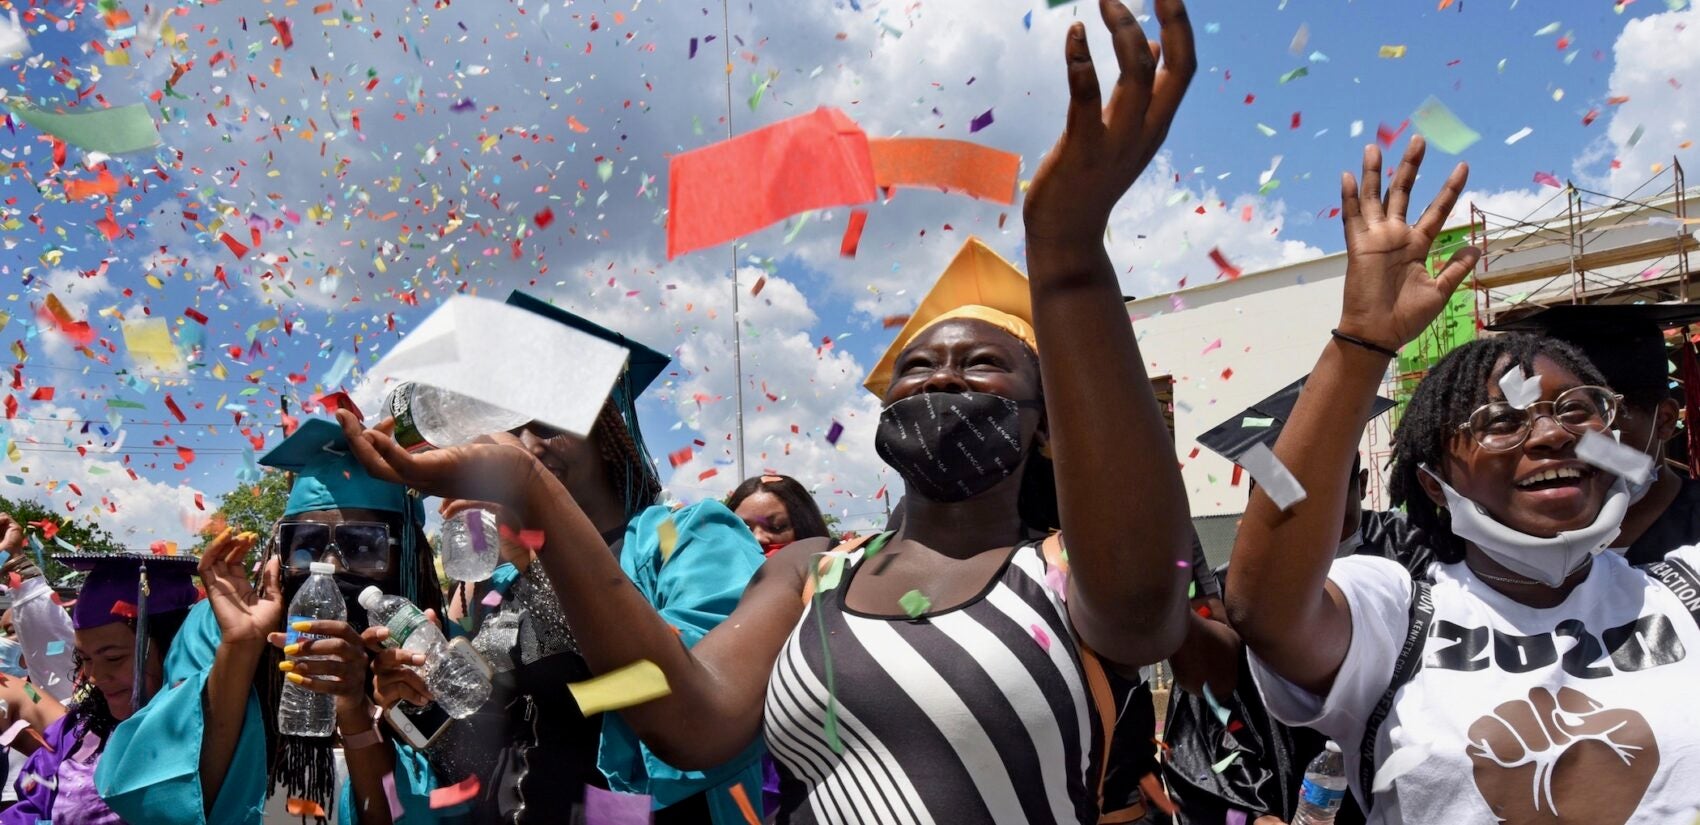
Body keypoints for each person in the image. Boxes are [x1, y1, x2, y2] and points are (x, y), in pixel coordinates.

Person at [338, 2, 1198, 820]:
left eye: (977, 366)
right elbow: (510, 729)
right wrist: (432, 694)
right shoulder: (805, 575)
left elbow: (658, 694)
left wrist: (1070, 256)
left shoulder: (682, 541)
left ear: (607, 431)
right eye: (916, 364)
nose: (937, 383)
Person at [1228, 136, 1700, 823]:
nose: (1550, 433)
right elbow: (1263, 605)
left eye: (1577, 409)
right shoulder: (1393, 615)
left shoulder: (1684, 591)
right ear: (1433, 483)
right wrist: (1361, 345)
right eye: (1501, 422)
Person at [370, 290, 767, 825]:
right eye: (510, 431)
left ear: (606, 436)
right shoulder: (504, 579)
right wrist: (419, 695)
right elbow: (480, 754)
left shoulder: (683, 538)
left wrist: (541, 567)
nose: (525, 447)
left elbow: (681, 706)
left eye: (547, 424)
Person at [94, 417, 442, 825]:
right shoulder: (218, 627)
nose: (328, 564)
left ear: (407, 562)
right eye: (305, 544)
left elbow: (409, 812)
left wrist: (358, 713)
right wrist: (239, 651)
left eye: (364, 545)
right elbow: (164, 799)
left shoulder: (427, 649)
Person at [1163, 377, 1400, 825]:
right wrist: (1250, 815)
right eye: (1281, 492)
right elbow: (1204, 729)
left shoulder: (1414, 560)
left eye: (1325, 487)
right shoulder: (1232, 594)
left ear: (1362, 483)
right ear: (1253, 497)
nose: (1305, 511)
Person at [1488, 303, 1700, 563]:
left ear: (1665, 421)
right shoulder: (1525, 538)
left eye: (1605, 419)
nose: (1560, 441)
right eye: (1560, 418)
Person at [2, 549, 201, 824]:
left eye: (113, 658)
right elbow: (29, 811)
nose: (94, 676)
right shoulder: (75, 734)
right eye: (85, 659)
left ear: (171, 647)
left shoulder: (206, 737)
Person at [727, 475, 831, 556]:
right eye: (744, 528)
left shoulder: (838, 578)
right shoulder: (713, 579)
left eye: (776, 527)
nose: (758, 538)